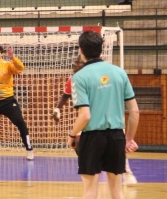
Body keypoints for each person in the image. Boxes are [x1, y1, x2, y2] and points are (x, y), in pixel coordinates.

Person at [68, 30, 140, 199]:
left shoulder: (79, 77)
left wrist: (71, 135)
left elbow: (85, 115)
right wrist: (128, 139)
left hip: (92, 138)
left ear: (81, 50)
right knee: (117, 192)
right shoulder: (120, 72)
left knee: (90, 191)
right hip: (116, 137)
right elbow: (135, 111)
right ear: (101, 49)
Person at [53, 55, 138, 186]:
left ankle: (126, 171)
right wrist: (57, 108)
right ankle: (118, 170)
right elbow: (66, 96)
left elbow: (84, 114)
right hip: (103, 128)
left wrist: (71, 135)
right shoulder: (78, 78)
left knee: (91, 187)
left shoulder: (101, 75)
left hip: (98, 128)